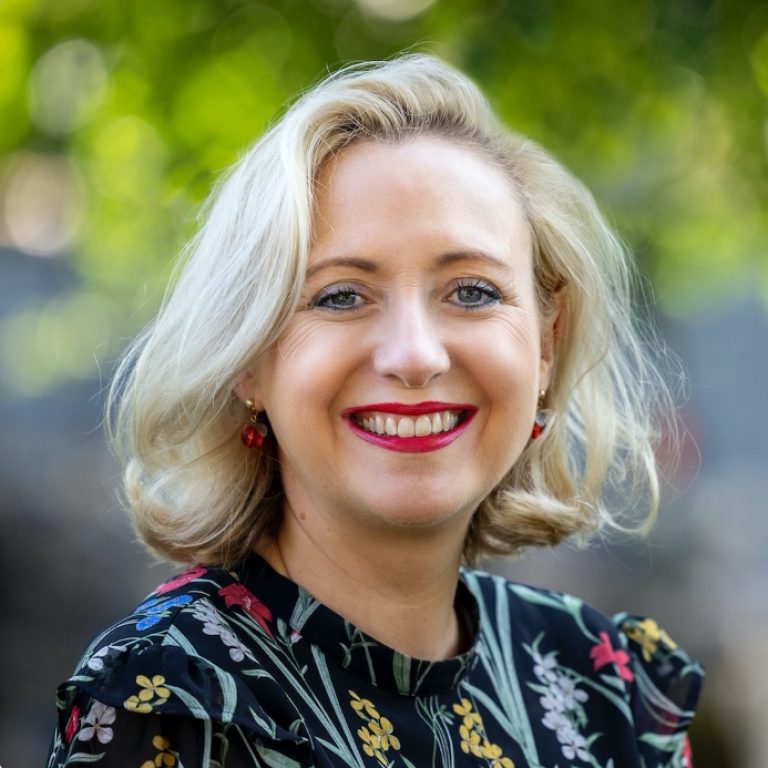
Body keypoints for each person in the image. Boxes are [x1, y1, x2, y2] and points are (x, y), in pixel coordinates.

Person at [46, 54, 703, 767]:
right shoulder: (174, 698)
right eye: (340, 296)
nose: (415, 355)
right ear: (248, 360)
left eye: (472, 291)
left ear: (545, 346)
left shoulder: (605, 693)